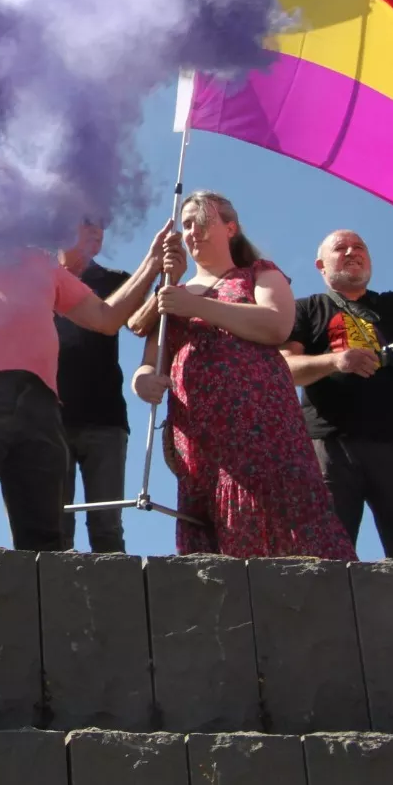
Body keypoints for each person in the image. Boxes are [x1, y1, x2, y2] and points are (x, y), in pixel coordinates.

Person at [0, 221, 179, 551]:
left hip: (39, 406)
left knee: (45, 540)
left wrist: (153, 260)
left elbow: (105, 318)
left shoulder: (41, 262)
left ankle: (39, 601)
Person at [132, 191, 355, 560]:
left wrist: (198, 305)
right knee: (213, 539)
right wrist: (141, 380)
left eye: (200, 221)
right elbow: (152, 359)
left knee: (284, 523)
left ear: (230, 227)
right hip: (200, 438)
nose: (191, 231)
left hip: (263, 428)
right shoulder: (171, 294)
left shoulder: (259, 273)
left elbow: (277, 325)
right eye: (186, 224)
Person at [279, 218, 393, 562]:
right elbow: (284, 369)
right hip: (328, 448)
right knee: (324, 560)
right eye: (341, 248)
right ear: (320, 265)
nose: (352, 252)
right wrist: (335, 361)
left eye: (359, 248)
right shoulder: (306, 309)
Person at [55, 218, 134, 553]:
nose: (98, 229)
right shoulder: (37, 280)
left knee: (107, 531)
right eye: (87, 221)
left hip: (105, 420)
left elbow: (148, 325)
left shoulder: (117, 282)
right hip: (46, 422)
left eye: (102, 223)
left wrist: (166, 277)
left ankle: (119, 605)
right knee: (53, 532)